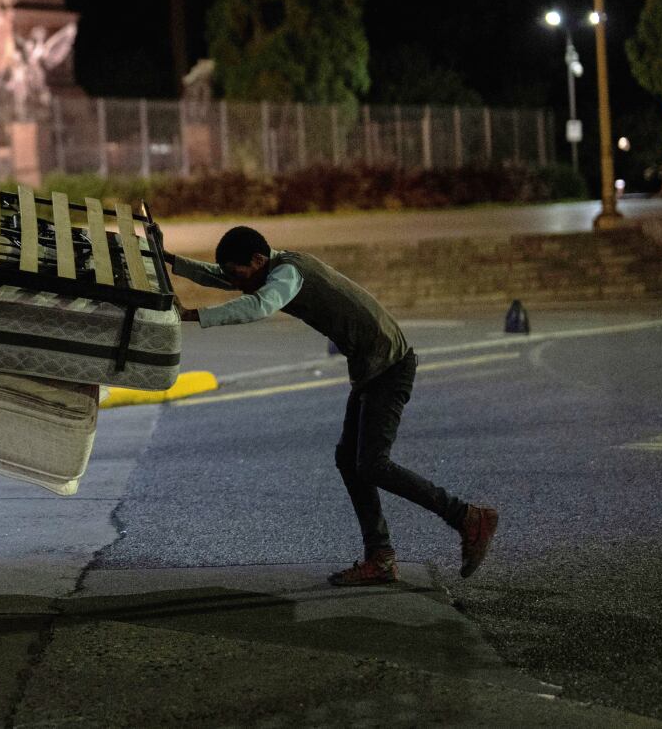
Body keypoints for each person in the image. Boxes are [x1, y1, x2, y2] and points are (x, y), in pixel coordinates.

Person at [166, 225, 498, 586]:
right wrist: (171, 262)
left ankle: (466, 516)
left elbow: (261, 305)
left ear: (258, 261)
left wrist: (195, 315)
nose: (234, 280)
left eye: (237, 272)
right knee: (350, 461)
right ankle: (382, 557)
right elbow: (221, 277)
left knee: (372, 464)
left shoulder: (287, 275)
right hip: (374, 367)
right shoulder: (273, 266)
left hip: (389, 367)